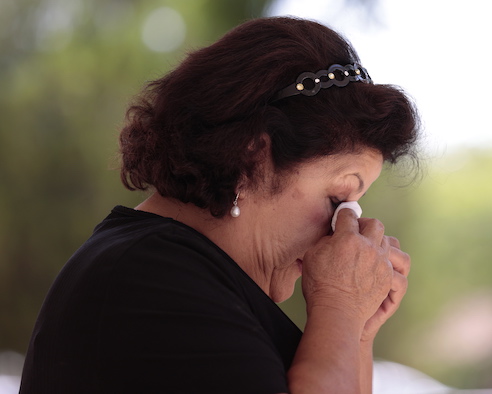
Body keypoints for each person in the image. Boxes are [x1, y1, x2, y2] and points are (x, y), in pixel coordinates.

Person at [20, 16, 420, 393]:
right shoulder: (151, 277)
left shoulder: (178, 271)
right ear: (253, 160)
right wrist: (341, 307)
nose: (344, 233)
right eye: (338, 201)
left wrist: (357, 328)